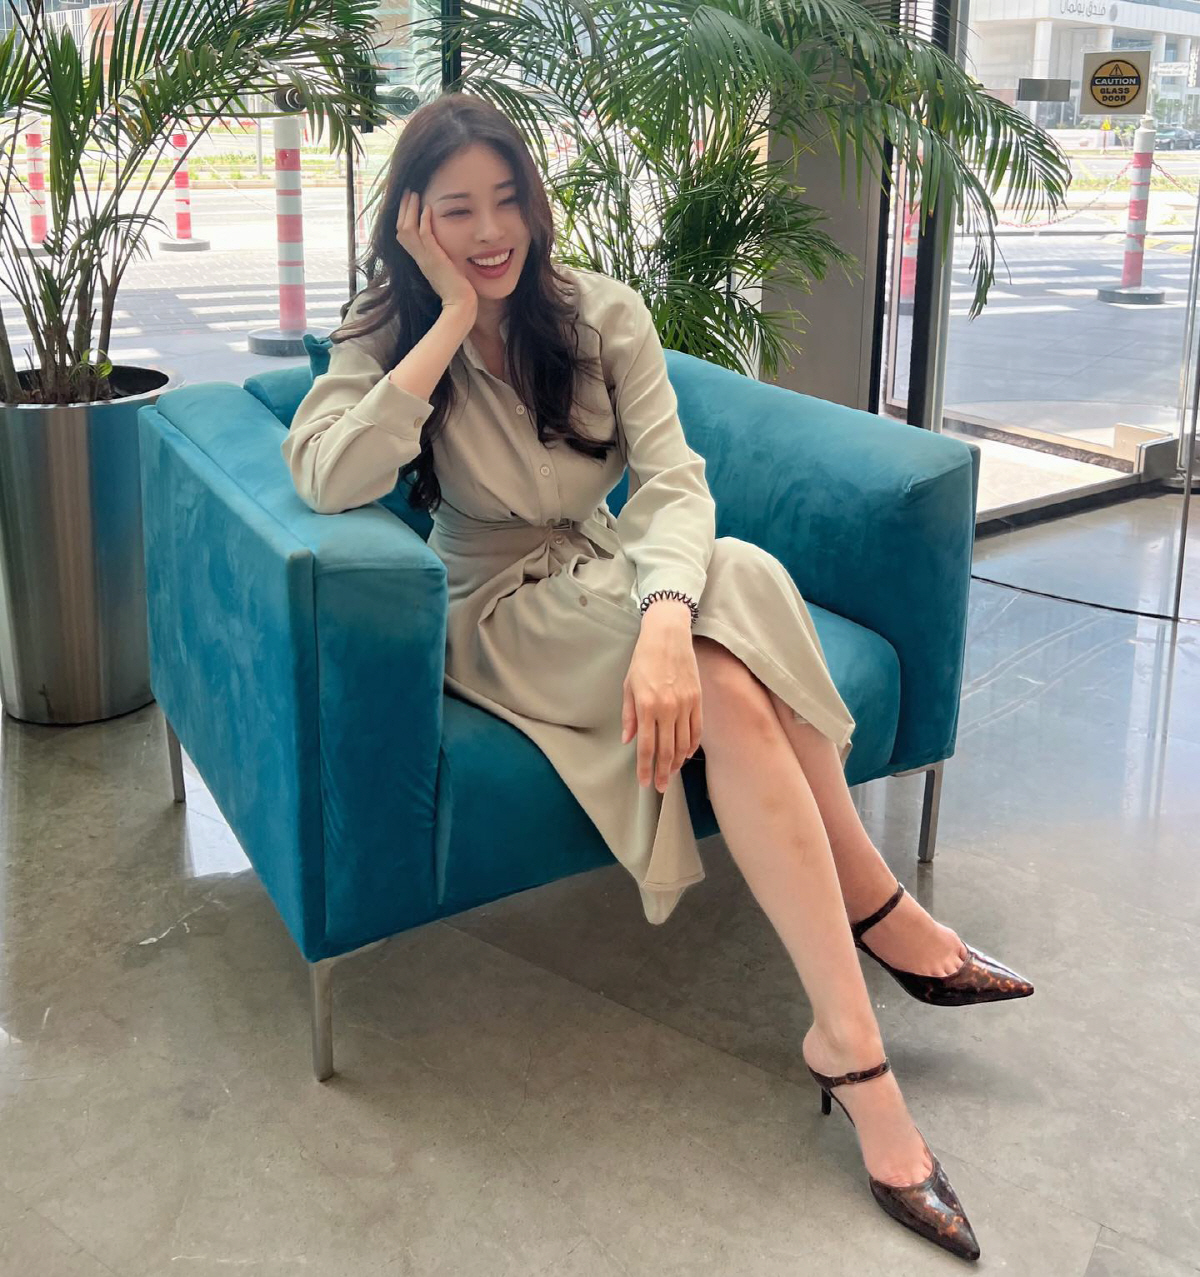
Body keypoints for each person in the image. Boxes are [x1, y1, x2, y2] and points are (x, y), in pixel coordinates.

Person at [281, 91, 1035, 1263]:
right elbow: (326, 476)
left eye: (508, 200)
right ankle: (880, 940)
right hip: (497, 610)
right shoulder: (384, 327)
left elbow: (677, 484)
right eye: (458, 210)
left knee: (728, 601)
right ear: (414, 220)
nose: (492, 231)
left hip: (615, 568)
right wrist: (445, 322)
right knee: (741, 611)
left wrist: (667, 618)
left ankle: (851, 1036)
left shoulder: (598, 313)